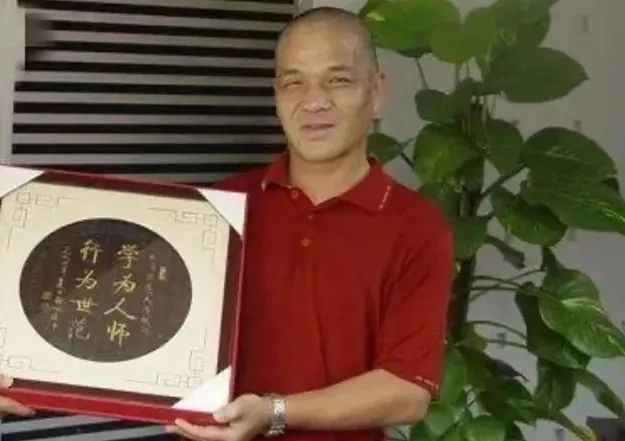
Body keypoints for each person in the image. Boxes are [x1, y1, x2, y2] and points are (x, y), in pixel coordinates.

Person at [0, 6, 454, 441]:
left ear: (376, 92)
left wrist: (274, 412)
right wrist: (19, 370)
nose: (314, 101)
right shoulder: (217, 209)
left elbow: (406, 391)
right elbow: (114, 309)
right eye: (293, 82)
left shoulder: (416, 227)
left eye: (338, 80)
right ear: (276, 95)